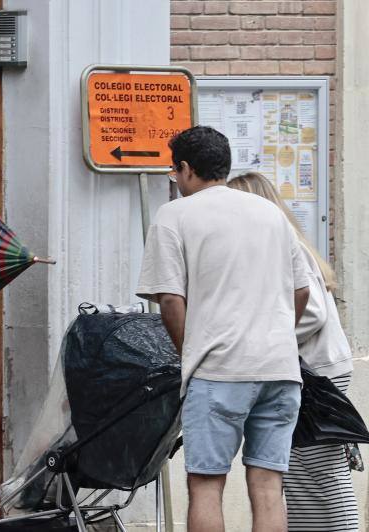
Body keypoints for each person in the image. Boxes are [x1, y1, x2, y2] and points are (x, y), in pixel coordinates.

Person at [136, 126, 310, 532]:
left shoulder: (174, 216)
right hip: (280, 371)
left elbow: (170, 302)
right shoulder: (269, 213)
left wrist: (188, 352)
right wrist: (280, 335)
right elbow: (301, 290)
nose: (175, 180)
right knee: (269, 486)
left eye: (175, 171)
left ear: (186, 168)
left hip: (218, 371)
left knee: (206, 486)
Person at [228, 172, 360, 531]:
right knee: (300, 474)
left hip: (317, 373)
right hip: (316, 370)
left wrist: (262, 339)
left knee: (322, 474)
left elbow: (312, 312)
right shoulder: (285, 243)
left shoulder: (285, 247)